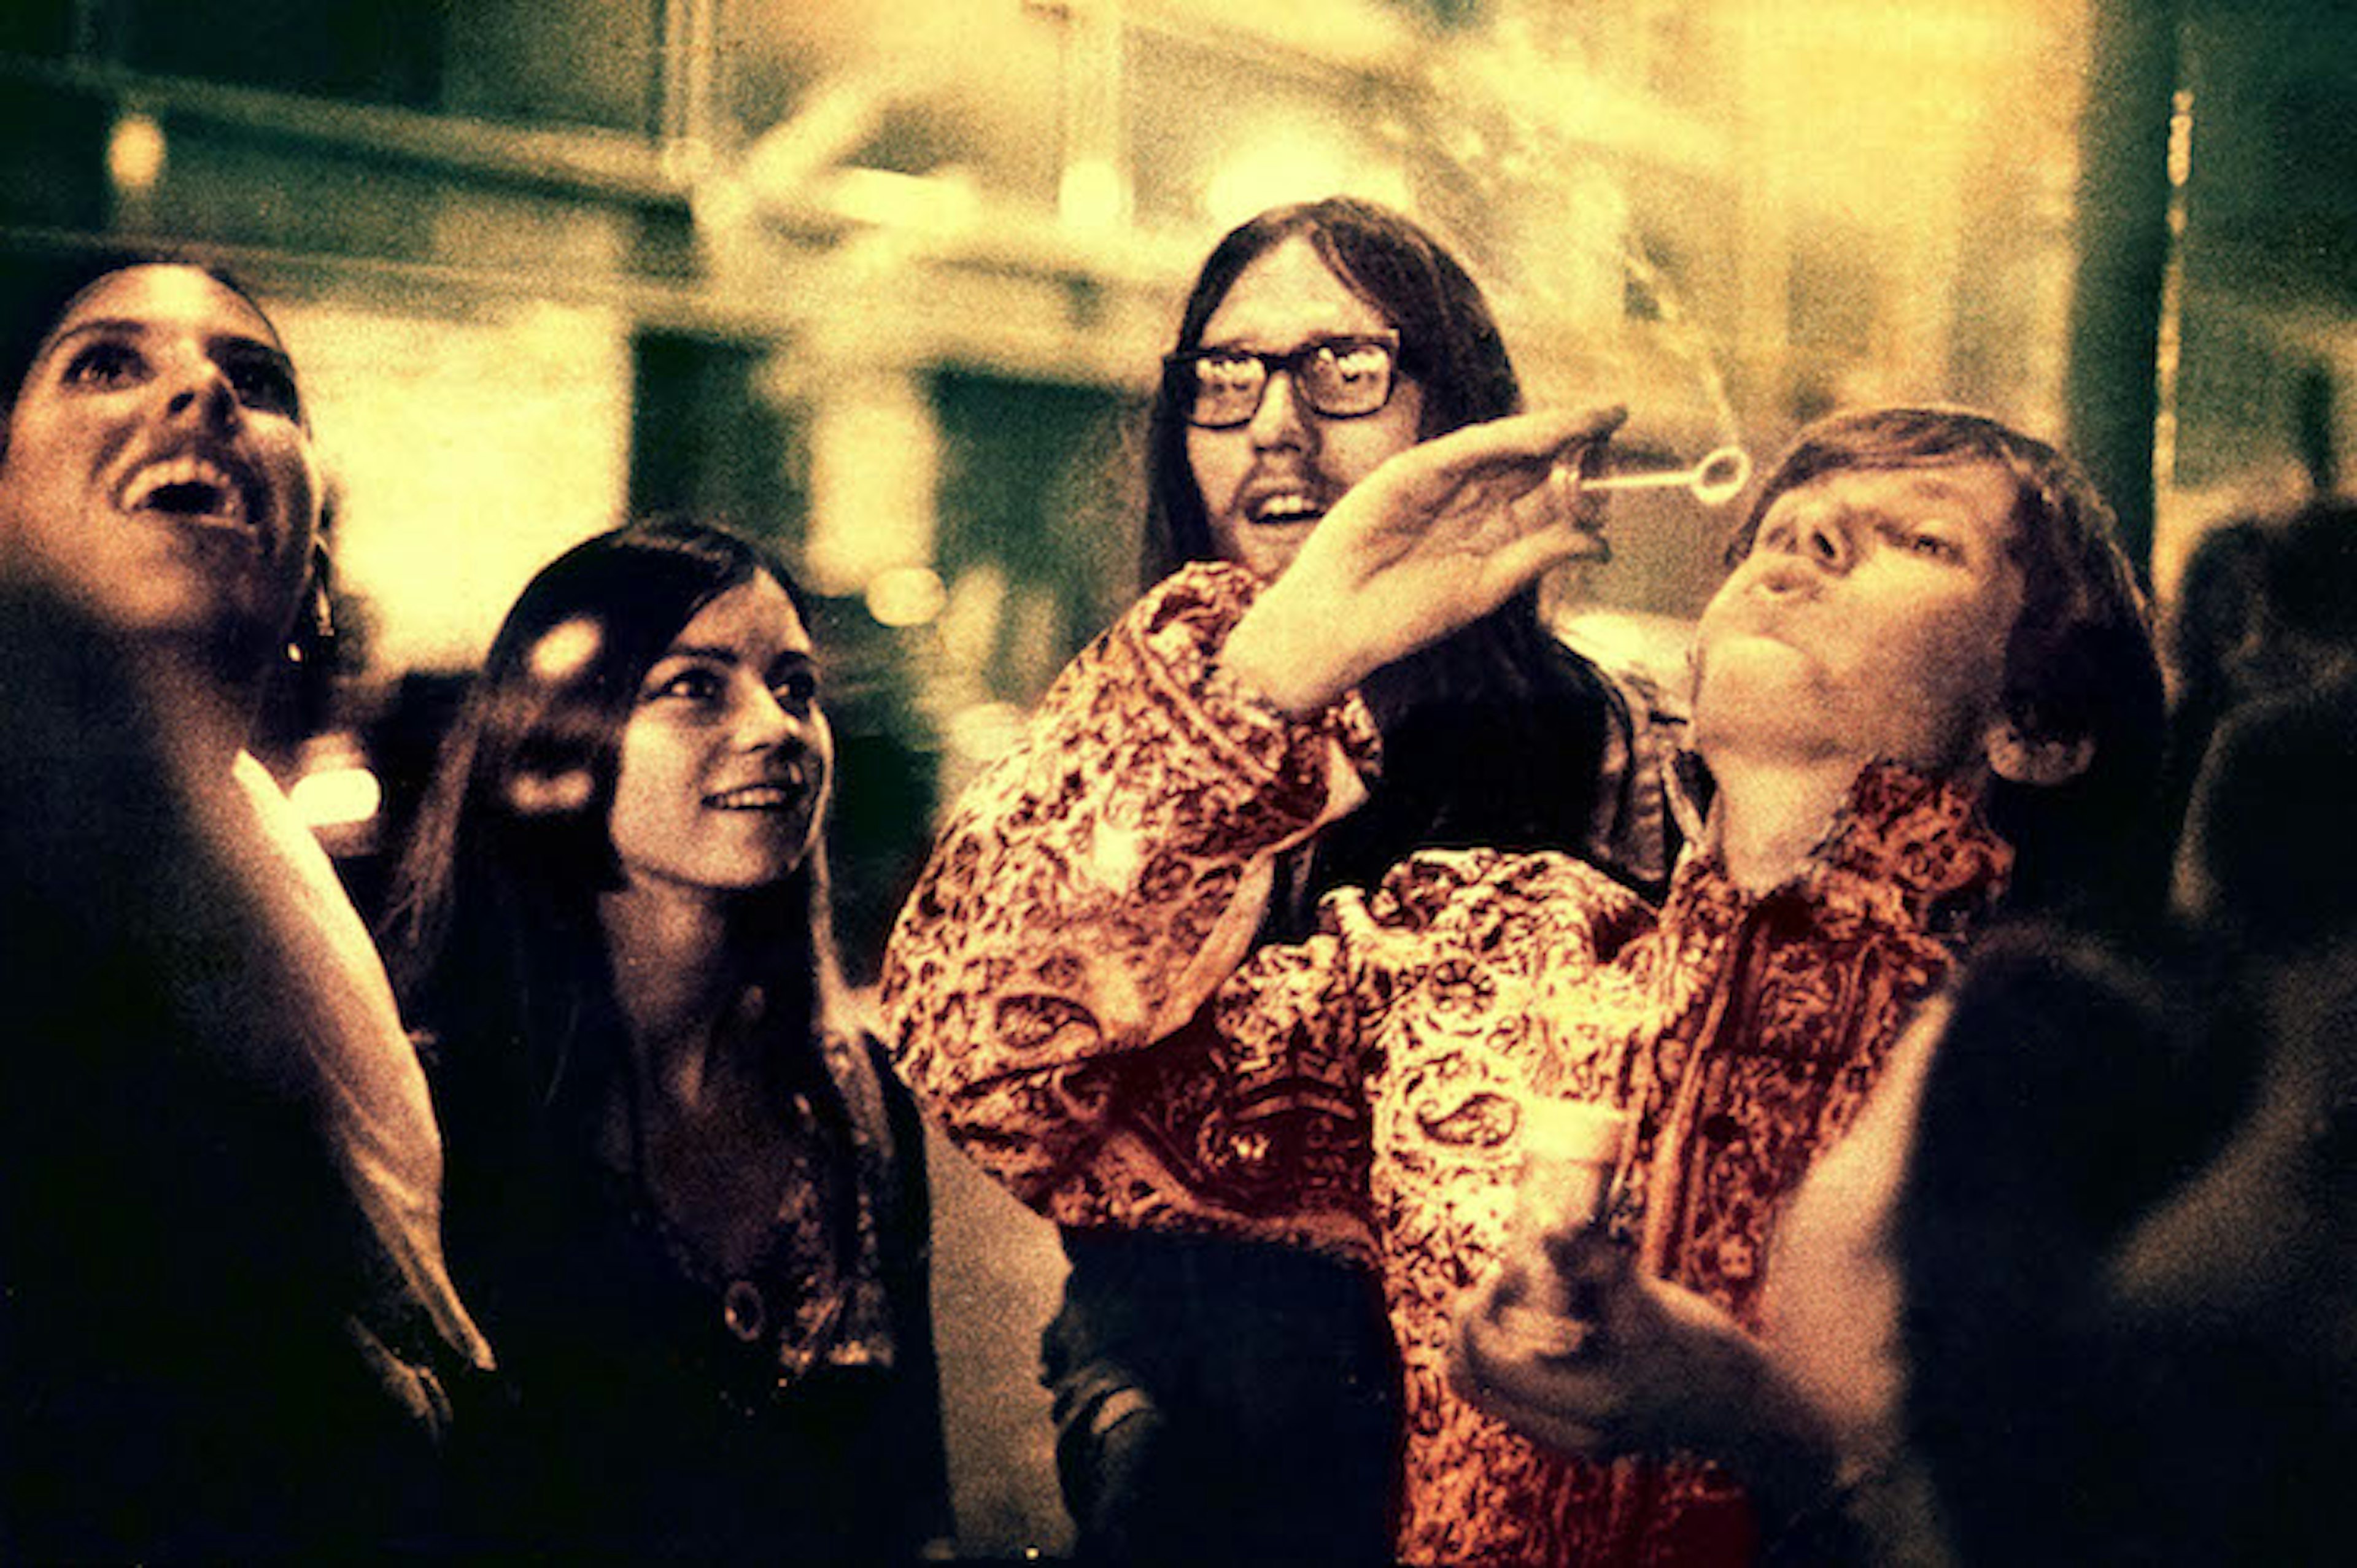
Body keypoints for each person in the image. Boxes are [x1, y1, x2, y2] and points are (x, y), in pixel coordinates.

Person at [883, 401, 2162, 1564]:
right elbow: (991, 1054)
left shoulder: (2091, 1082)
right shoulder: (1478, 960)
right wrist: (1277, 662)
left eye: (1916, 540)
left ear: (2038, 730)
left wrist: (1769, 1431)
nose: (1808, 539)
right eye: (1787, 520)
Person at [1040, 195, 1676, 1566]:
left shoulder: (1590, 739)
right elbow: (1035, 1083)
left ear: (1453, 410)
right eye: (1225, 376)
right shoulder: (1144, 716)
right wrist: (1113, 1415)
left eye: (1345, 368)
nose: (1276, 424)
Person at [0, 251, 491, 1555]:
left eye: (256, 379)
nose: (203, 396)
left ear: (314, 573)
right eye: (109, 362)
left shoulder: (290, 938)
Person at [382, 519, 952, 1561]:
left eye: (795, 686)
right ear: (555, 735)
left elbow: (912, 1511)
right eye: (695, 686)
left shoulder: (862, 1105)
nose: (776, 726)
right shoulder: (430, 1116)